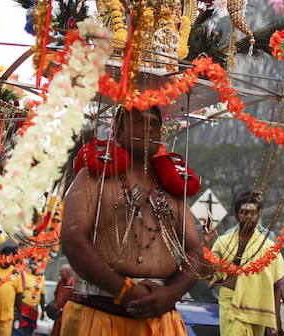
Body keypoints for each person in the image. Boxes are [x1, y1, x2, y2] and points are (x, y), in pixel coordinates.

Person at [59, 106, 203, 335]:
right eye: (139, 122)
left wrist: (172, 293)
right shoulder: (93, 175)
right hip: (101, 314)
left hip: (162, 316)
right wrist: (124, 291)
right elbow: (72, 241)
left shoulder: (172, 185)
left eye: (155, 124)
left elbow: (195, 250)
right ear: (118, 128)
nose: (149, 130)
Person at [205, 192, 284, 336]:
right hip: (230, 306)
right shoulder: (222, 242)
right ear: (237, 216)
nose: (249, 216)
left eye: (253, 213)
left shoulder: (268, 246)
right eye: (244, 212)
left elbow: (277, 282)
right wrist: (206, 242)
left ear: (258, 215)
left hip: (256, 308)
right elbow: (208, 271)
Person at [12, 263, 44, 336]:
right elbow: (18, 292)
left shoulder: (42, 278)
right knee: (19, 331)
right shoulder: (24, 275)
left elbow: (42, 296)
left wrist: (42, 311)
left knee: (29, 332)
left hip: (34, 311)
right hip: (23, 309)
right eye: (36, 264)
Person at [46, 265, 72, 336]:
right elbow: (56, 296)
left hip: (67, 318)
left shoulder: (72, 284)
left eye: (61, 272)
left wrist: (58, 307)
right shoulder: (60, 283)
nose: (59, 274)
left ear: (67, 272)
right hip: (58, 317)